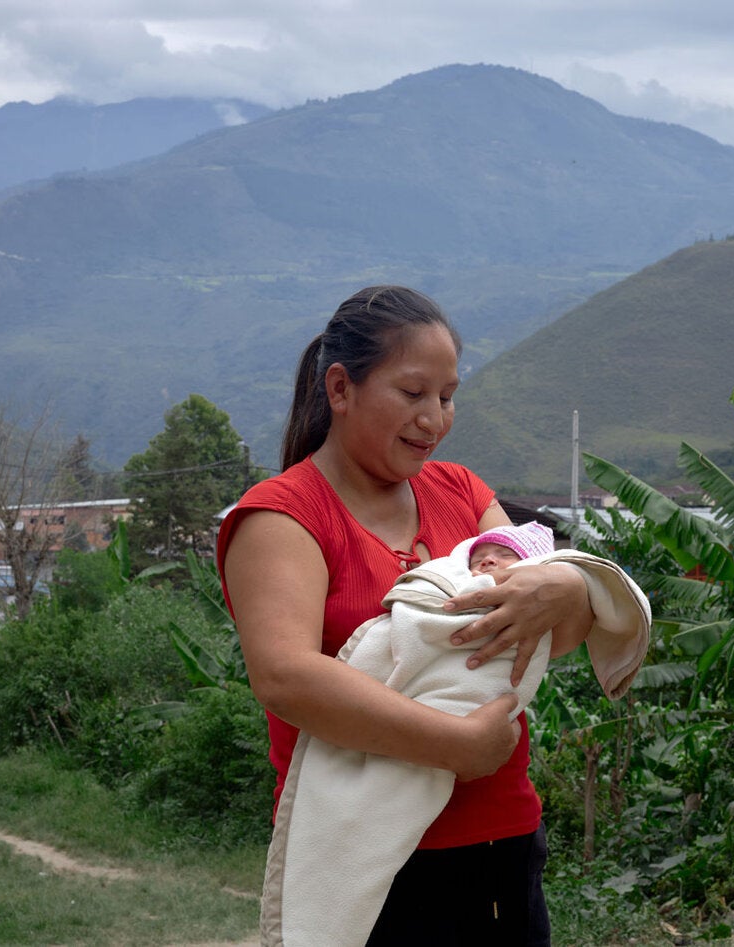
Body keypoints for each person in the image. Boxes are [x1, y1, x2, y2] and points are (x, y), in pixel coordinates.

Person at [217, 285, 648, 947]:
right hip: (368, 859)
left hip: (502, 841)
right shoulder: (283, 516)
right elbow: (285, 676)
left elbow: (544, 635)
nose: (435, 417)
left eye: (447, 396)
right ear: (340, 387)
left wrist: (567, 587)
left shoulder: (463, 492)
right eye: (413, 393)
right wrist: (454, 746)